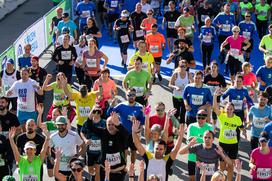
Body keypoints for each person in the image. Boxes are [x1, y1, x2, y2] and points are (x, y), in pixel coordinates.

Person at [86, 112, 128, 181]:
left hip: (118, 171)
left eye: (113, 124)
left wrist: (119, 125)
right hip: (104, 170)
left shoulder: (121, 134)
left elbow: (126, 135)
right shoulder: (103, 132)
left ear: (117, 124)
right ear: (106, 125)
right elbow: (90, 127)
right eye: (109, 125)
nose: (111, 127)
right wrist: (91, 114)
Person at [213, 88, 244, 181]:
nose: (229, 110)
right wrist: (215, 96)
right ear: (225, 109)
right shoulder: (222, 116)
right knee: (222, 168)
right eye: (228, 109)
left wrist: (244, 130)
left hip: (233, 145)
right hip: (223, 143)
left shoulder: (237, 119)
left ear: (233, 110)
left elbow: (241, 127)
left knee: (230, 166)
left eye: (231, 109)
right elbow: (215, 108)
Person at [107, 88, 145, 164]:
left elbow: (143, 121)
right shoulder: (121, 105)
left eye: (133, 95)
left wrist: (136, 120)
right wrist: (111, 106)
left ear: (135, 96)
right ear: (126, 95)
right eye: (129, 95)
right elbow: (109, 114)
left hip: (134, 133)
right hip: (122, 133)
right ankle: (124, 166)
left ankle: (132, 166)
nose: (131, 96)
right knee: (124, 150)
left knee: (133, 151)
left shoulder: (140, 107)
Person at [183, 110, 213, 181]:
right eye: (199, 117)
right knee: (192, 179)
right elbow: (189, 141)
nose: (200, 119)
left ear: (206, 118)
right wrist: (203, 140)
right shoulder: (191, 126)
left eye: (203, 118)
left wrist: (196, 139)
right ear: (196, 117)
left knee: (204, 179)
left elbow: (209, 143)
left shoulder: (210, 127)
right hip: (192, 158)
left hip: (204, 159)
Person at [81, 106, 106, 181]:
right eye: (94, 111)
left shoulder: (104, 123)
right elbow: (82, 132)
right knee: (91, 170)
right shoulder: (87, 122)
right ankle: (94, 177)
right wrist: (85, 140)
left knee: (98, 170)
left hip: (100, 152)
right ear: (91, 112)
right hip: (90, 151)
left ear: (101, 113)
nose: (96, 113)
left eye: (98, 112)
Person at [169, 60, 193, 124]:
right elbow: (170, 84)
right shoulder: (175, 74)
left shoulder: (189, 75)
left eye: (184, 66)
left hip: (185, 98)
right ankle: (176, 128)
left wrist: (188, 89)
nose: (182, 68)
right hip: (176, 97)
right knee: (176, 114)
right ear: (179, 66)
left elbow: (193, 85)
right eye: (181, 66)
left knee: (183, 115)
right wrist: (175, 87)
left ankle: (181, 131)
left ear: (186, 67)